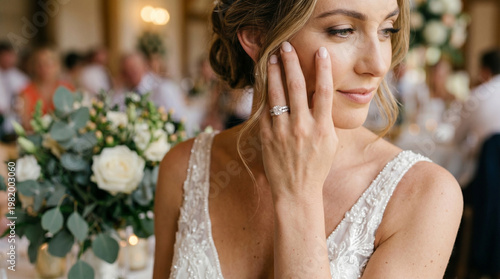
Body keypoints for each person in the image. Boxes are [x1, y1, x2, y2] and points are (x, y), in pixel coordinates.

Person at [154, 0, 463, 278]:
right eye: (343, 30)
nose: (379, 64)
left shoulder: (426, 195)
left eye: (386, 30)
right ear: (257, 36)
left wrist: (297, 196)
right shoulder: (184, 168)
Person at [115, 52, 202, 135]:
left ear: (145, 66)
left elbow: (179, 120)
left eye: (133, 68)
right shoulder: (123, 92)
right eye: (126, 70)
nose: (130, 73)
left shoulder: (163, 88)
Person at [19, 47, 74, 130]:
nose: (44, 69)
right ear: (33, 67)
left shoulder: (67, 88)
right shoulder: (26, 92)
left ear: (57, 66)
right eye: (39, 65)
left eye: (48, 64)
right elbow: (25, 123)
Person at [0, 41, 29, 139]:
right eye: (5, 56)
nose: (8, 59)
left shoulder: (21, 78)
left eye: (11, 56)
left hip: (15, 122)